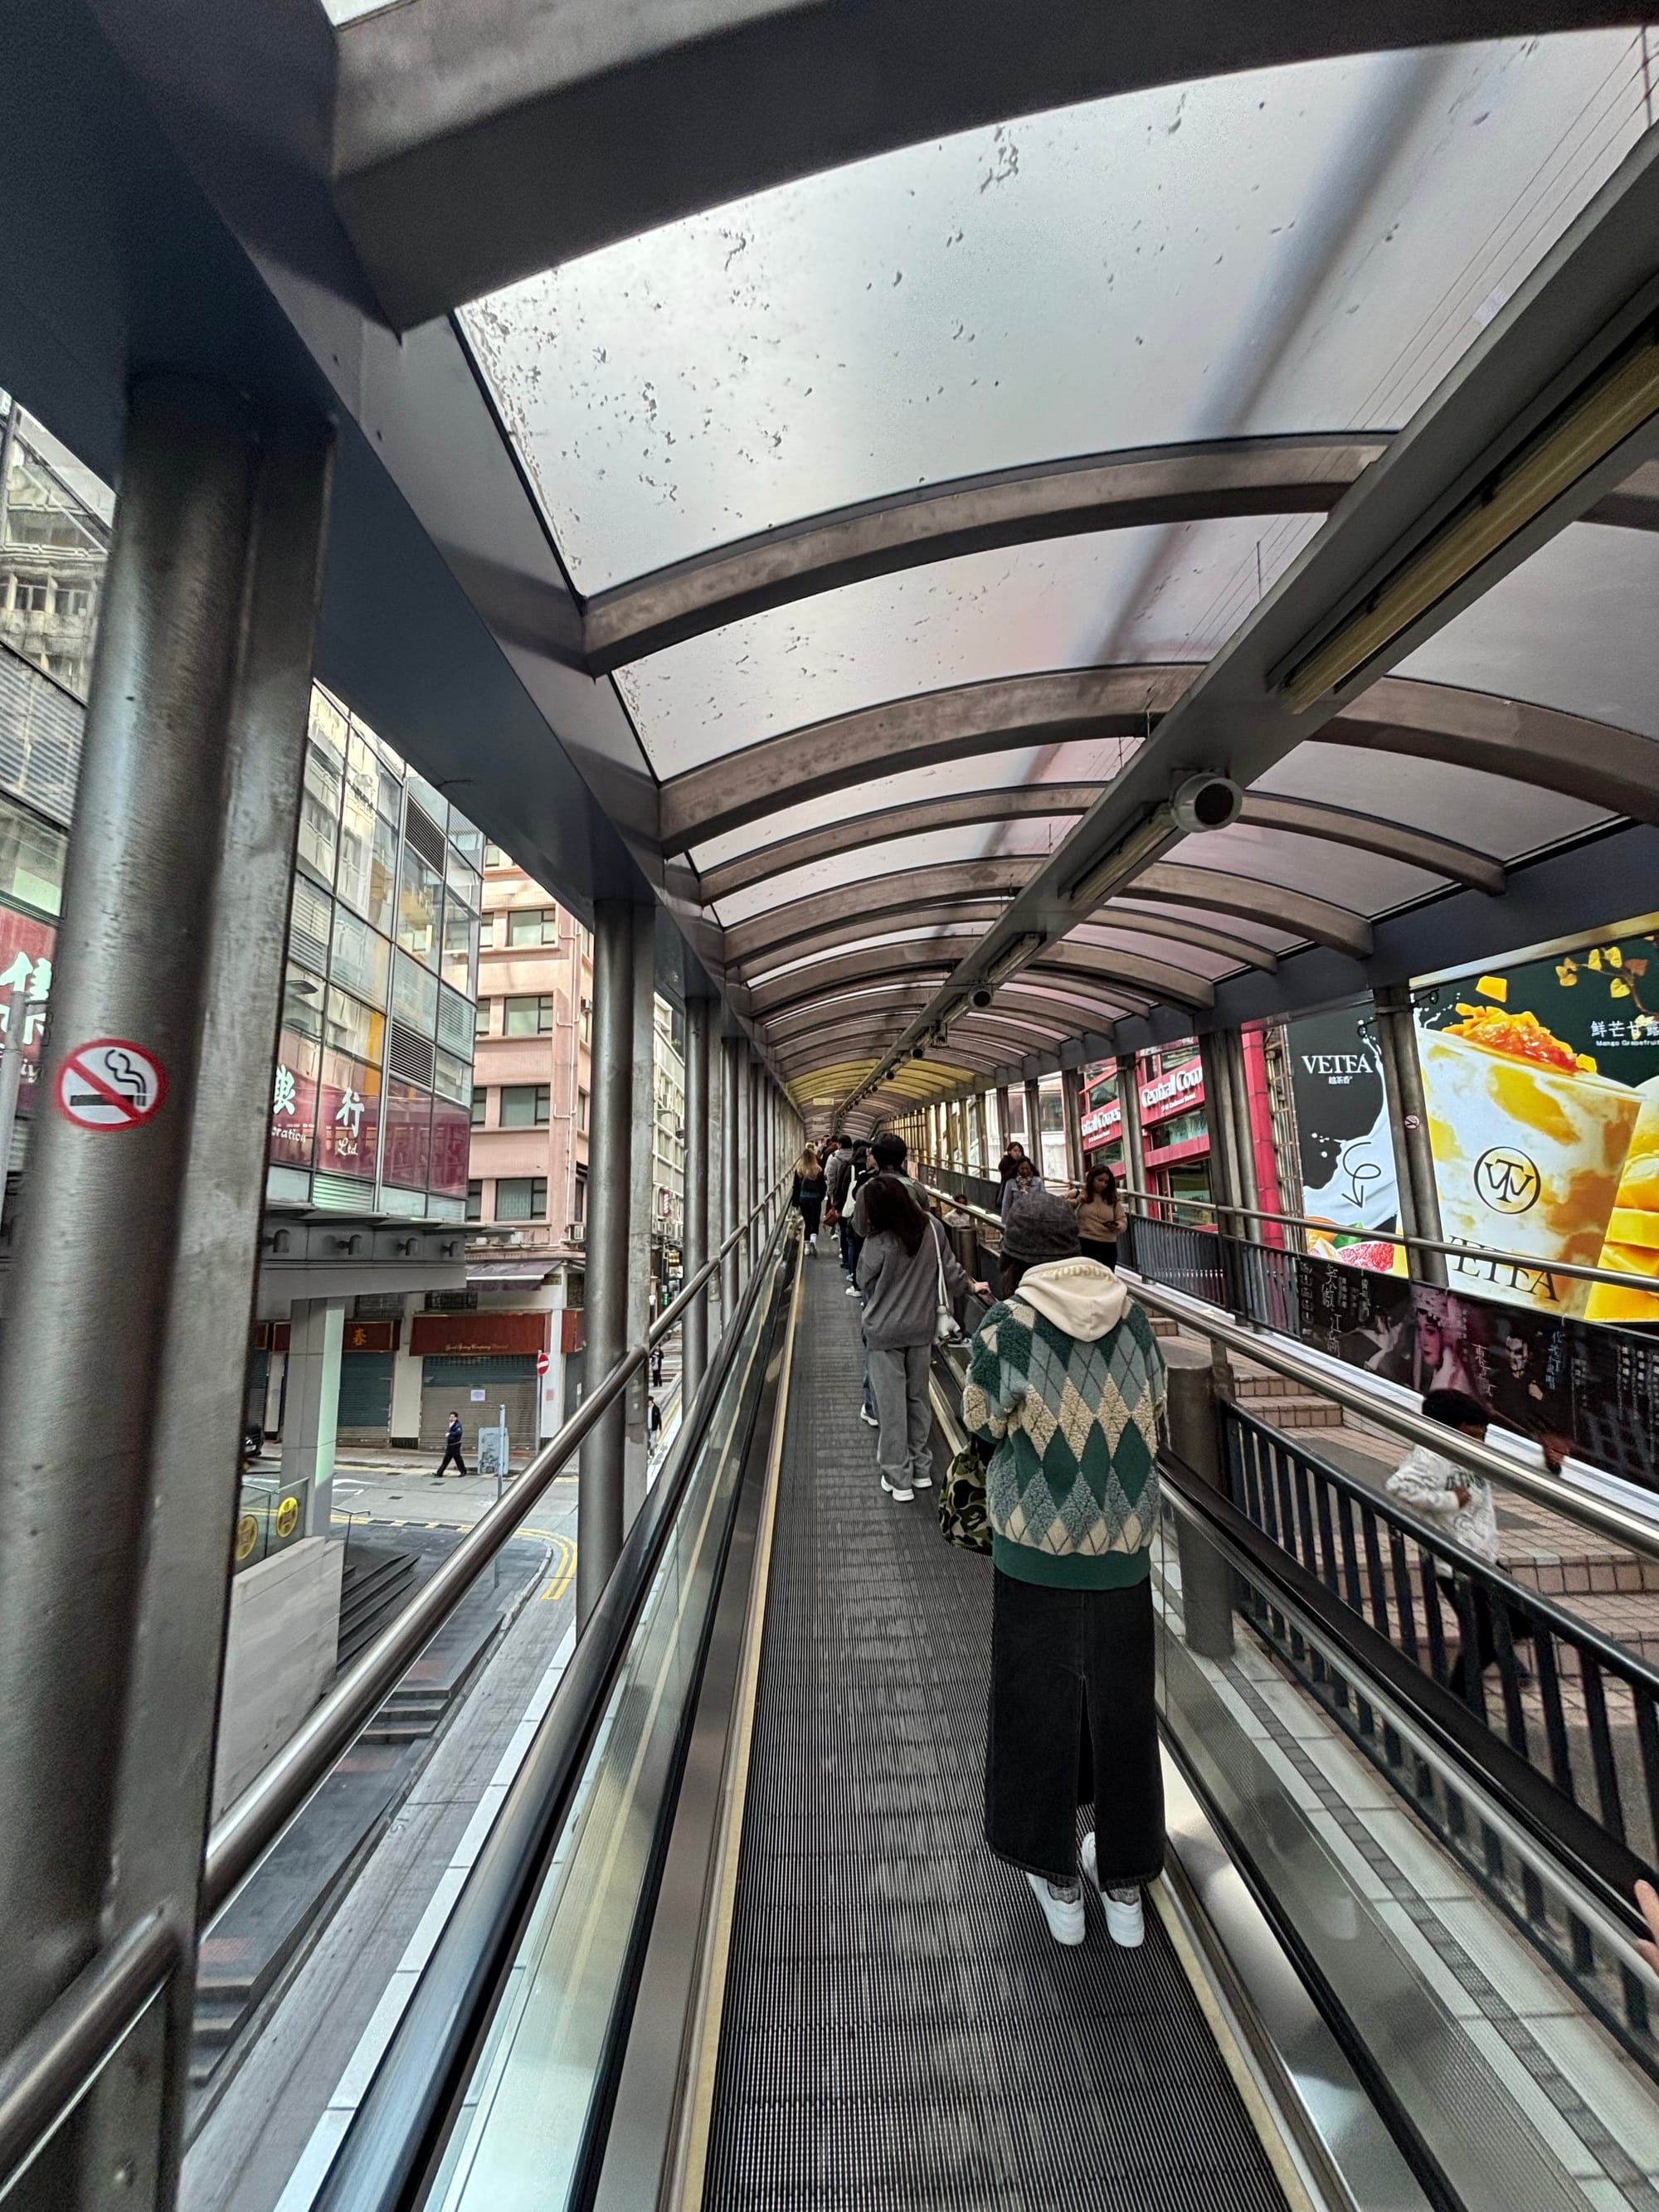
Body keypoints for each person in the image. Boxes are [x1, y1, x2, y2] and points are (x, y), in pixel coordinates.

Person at [965, 1192, 1167, 1949]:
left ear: (1015, 1254)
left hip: (1037, 1550)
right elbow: (1157, 1407)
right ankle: (1123, 1885)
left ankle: (1056, 1879)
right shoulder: (1134, 1317)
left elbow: (981, 1417)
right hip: (1122, 1549)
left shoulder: (1010, 1323)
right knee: (1123, 1714)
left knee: (1035, 1707)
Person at [1386, 1387, 1530, 1700]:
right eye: (1473, 1435)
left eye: (1483, 1435)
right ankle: (1456, 1699)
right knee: (1489, 1632)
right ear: (1447, 1431)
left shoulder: (1472, 1454)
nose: (1480, 1442)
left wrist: (1551, 1462)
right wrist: (1449, 1500)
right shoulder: (1430, 1457)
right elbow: (1398, 1486)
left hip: (1484, 1556)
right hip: (1454, 1562)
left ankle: (1498, 1662)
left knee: (1520, 1620)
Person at [856, 1174, 983, 1501]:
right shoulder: (932, 1228)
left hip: (884, 1331)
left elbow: (863, 1278)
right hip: (921, 1328)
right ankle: (921, 1469)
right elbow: (951, 1270)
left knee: (890, 1406)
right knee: (918, 1399)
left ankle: (898, 1477)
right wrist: (972, 1287)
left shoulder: (879, 1238)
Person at [1075, 1162, 1127, 1266]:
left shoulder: (1113, 1200)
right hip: (1085, 1242)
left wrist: (1118, 1226)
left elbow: (1122, 1220)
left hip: (1107, 1245)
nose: (1103, 1184)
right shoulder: (1081, 1195)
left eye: (1106, 1182)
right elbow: (1064, 1208)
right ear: (1092, 1179)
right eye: (1100, 1180)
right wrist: (1076, 1201)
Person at [791, 1145, 827, 1255]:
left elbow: (796, 1187)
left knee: (807, 1221)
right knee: (815, 1221)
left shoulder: (799, 1170)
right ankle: (813, 1239)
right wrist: (820, 1198)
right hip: (815, 1198)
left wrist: (796, 1202)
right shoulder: (818, 1170)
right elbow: (823, 1187)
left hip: (804, 1199)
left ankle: (806, 1247)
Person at [1000, 1153, 1042, 1222]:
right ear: (1017, 1168)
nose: (1025, 1171)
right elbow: (1006, 1205)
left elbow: (1043, 1201)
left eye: (1027, 1168)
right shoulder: (1010, 1183)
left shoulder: (1038, 1182)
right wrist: (1004, 1223)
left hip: (1034, 1219)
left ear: (1030, 1168)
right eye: (1022, 1169)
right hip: (1016, 1220)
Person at [435, 1410, 467, 1478]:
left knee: (457, 1459)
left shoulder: (457, 1425)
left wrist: (450, 1433)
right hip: (450, 1445)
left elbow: (458, 1432)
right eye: (450, 1417)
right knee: (446, 1459)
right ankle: (439, 1473)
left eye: (452, 1417)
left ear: (456, 1418)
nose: (451, 1418)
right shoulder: (452, 1424)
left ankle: (463, 1472)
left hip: (455, 1445)